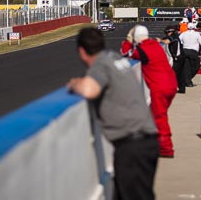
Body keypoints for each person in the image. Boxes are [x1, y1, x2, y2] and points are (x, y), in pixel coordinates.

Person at [67, 27, 159, 200]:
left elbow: (89, 90)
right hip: (146, 139)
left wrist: (75, 84)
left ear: (81, 51)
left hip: (133, 146)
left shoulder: (100, 64)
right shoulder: (114, 57)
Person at [120, 25, 177, 158]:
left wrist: (128, 41)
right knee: (152, 115)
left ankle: (166, 149)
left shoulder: (143, 49)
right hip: (171, 84)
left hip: (159, 88)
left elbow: (125, 53)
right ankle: (151, 142)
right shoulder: (155, 45)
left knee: (159, 118)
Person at [179, 23, 201, 87]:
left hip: (184, 51)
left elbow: (178, 41)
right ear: (194, 27)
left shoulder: (183, 34)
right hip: (193, 52)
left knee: (186, 67)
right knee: (196, 67)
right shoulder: (197, 34)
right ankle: (188, 80)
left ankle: (186, 81)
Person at [162, 25, 186, 93]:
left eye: (167, 33)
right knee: (180, 74)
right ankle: (181, 89)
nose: (166, 34)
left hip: (179, 57)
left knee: (173, 73)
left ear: (170, 32)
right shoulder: (174, 35)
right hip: (180, 56)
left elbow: (166, 41)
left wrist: (159, 40)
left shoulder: (174, 36)